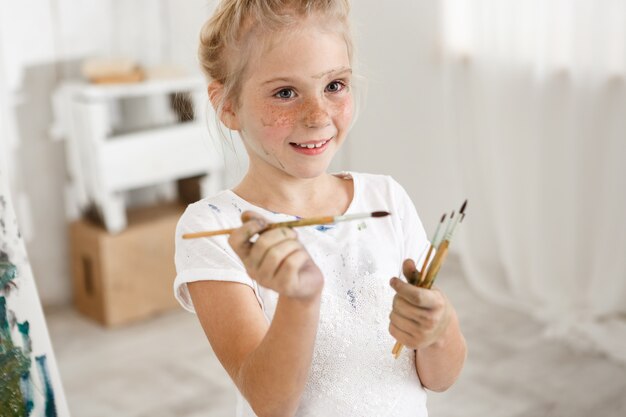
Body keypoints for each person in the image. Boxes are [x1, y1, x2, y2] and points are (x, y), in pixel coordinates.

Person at [173, 1, 466, 416]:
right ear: (228, 106)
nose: (317, 115)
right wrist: (300, 297)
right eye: (285, 92)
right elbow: (270, 404)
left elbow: (440, 377)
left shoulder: (386, 199)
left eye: (334, 85)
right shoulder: (215, 230)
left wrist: (439, 329)